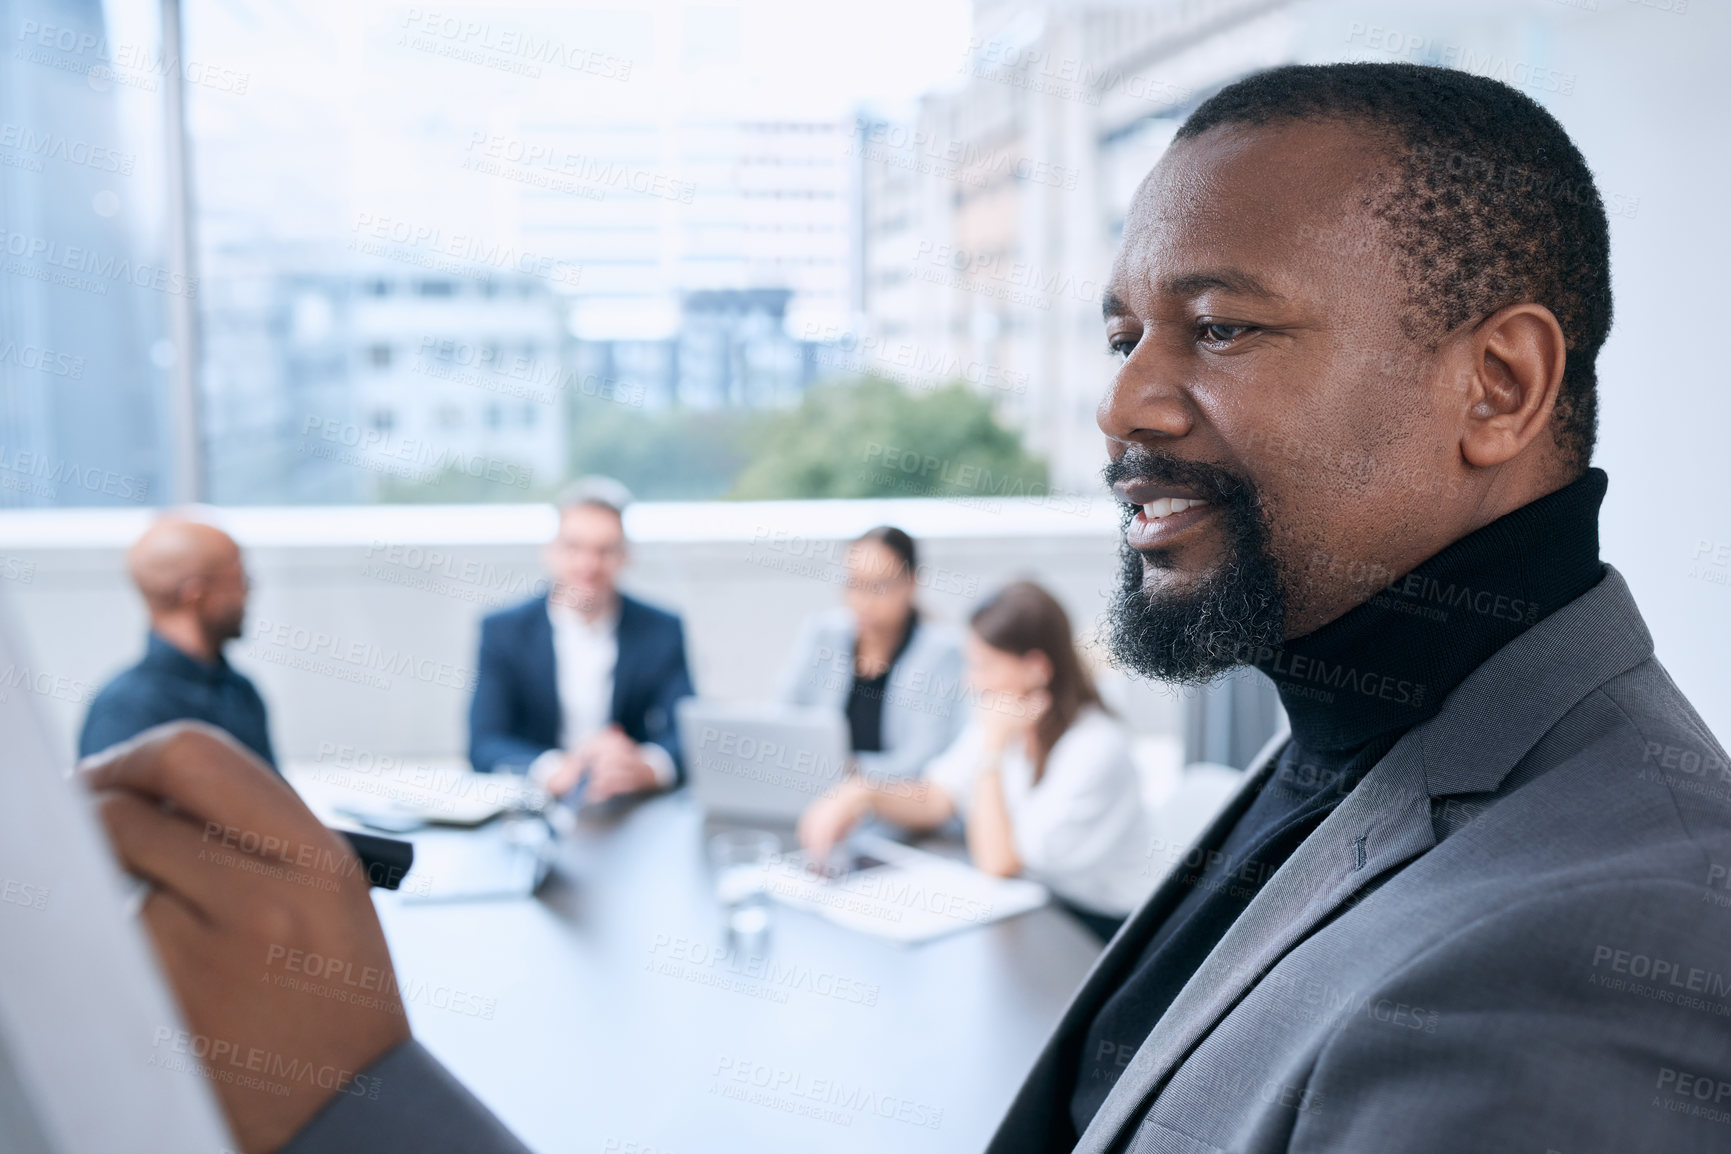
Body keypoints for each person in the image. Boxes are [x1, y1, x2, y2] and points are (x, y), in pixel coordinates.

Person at [85, 62, 1731, 1153]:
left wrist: (356, 1096)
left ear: (1498, 383)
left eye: (1219, 327)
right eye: (1118, 335)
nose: (1125, 406)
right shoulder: (1367, 747)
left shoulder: (1603, 954)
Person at [798, 581, 1151, 941]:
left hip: (1099, 928)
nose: (972, 682)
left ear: (1036, 668)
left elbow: (999, 862)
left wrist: (993, 751)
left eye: (984, 666)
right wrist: (863, 794)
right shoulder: (1004, 719)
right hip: (1033, 906)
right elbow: (937, 798)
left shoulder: (1095, 747)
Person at [468, 477, 694, 801]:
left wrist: (645, 767)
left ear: (625, 556)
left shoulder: (662, 629)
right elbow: (484, 742)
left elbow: (687, 735)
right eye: (574, 547)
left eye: (604, 550)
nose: (588, 565)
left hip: (629, 805)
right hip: (538, 804)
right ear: (550, 552)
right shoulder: (503, 630)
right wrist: (552, 769)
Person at [79, 515, 275, 770]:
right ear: (197, 593)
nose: (247, 592)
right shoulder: (126, 710)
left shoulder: (240, 693)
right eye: (240, 579)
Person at [777, 525, 965, 780]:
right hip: (813, 791)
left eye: (879, 587)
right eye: (854, 584)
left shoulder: (941, 654)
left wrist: (846, 773)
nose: (863, 600)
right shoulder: (823, 634)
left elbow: (924, 760)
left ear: (911, 583)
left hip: (894, 807)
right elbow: (783, 717)